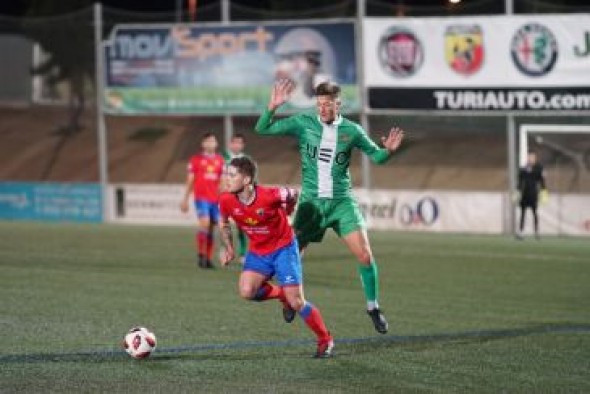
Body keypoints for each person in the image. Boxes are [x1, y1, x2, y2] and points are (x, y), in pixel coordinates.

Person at [254, 79, 405, 334]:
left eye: (328, 104)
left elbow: (377, 157)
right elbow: (262, 129)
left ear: (339, 104)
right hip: (311, 204)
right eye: (319, 103)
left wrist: (388, 150)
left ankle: (373, 307)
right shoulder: (304, 122)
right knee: (293, 253)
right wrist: (272, 107)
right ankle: (289, 298)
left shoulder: (352, 130)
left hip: (341, 203)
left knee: (365, 255)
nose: (322, 108)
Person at [218, 156, 334, 358]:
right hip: (258, 251)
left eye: (232, 175)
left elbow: (294, 194)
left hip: (284, 249)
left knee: (297, 302)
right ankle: (283, 296)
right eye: (227, 174)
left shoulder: (270, 195)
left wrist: (289, 213)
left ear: (246, 180)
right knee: (247, 291)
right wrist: (229, 247)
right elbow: (224, 223)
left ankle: (325, 340)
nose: (227, 179)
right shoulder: (226, 200)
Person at [180, 133, 225, 269]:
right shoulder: (195, 160)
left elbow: (222, 182)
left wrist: (224, 197)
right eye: (208, 141)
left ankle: (207, 258)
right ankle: (201, 255)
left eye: (213, 141)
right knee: (204, 224)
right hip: (201, 198)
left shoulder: (220, 160)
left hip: (215, 200)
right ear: (203, 144)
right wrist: (185, 199)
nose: (211, 143)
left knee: (212, 228)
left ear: (216, 144)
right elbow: (190, 180)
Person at [221, 133, 249, 262]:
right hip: (226, 195)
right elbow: (219, 177)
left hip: (240, 196)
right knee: (224, 224)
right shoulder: (223, 158)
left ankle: (242, 253)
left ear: (243, 145)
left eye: (240, 143)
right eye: (235, 142)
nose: (237, 145)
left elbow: (250, 178)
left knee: (242, 225)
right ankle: (225, 249)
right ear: (231, 144)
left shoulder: (246, 160)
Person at [516, 151, 547, 240]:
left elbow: (542, 180)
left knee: (535, 213)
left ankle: (536, 232)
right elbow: (520, 181)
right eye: (529, 157)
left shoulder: (539, 168)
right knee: (522, 213)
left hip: (533, 193)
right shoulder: (524, 168)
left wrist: (544, 191)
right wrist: (517, 192)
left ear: (535, 158)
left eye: (532, 157)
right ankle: (521, 232)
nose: (530, 159)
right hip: (524, 194)